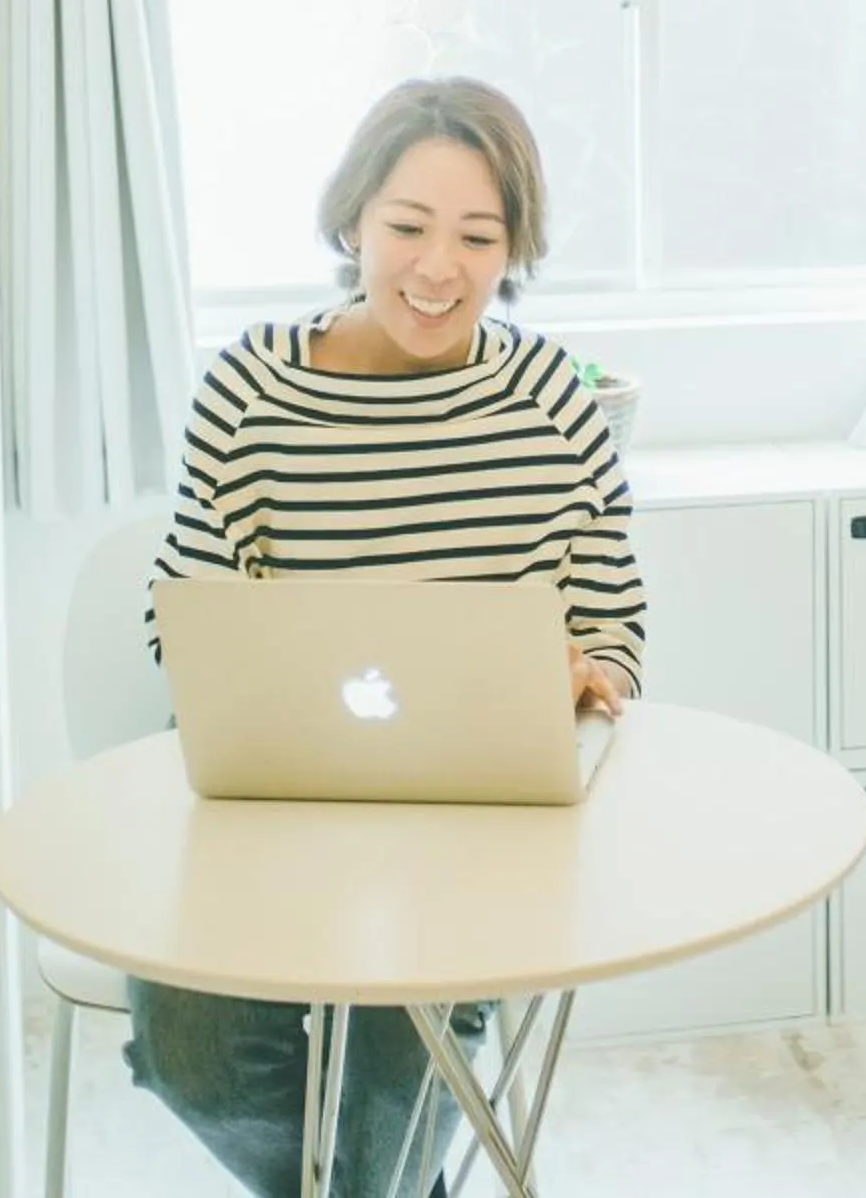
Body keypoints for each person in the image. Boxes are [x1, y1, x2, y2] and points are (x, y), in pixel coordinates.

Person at [126, 76, 645, 1198]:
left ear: (517, 249)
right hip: (276, 812)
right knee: (187, 1056)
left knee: (381, 1132)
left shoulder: (554, 399)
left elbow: (615, 623)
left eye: (478, 235)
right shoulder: (250, 388)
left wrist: (582, 672)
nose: (436, 267)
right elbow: (183, 615)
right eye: (407, 226)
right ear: (352, 219)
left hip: (476, 833)